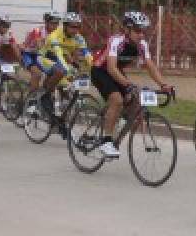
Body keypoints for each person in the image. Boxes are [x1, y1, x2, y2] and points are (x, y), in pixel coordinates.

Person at [90, 11, 173, 159]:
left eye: (143, 31)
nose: (141, 35)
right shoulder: (116, 40)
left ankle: (117, 131)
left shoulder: (142, 45)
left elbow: (150, 66)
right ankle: (106, 141)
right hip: (100, 71)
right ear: (127, 30)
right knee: (117, 100)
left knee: (135, 106)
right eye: (137, 31)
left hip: (117, 72)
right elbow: (111, 68)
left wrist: (164, 84)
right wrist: (128, 84)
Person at [37, 11, 92, 137]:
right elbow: (58, 55)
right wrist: (68, 68)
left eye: (78, 26)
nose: (75, 29)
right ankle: (45, 95)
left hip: (62, 60)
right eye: (72, 26)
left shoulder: (79, 38)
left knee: (67, 91)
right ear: (65, 26)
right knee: (61, 71)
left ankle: (61, 122)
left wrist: (90, 68)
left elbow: (86, 55)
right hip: (46, 58)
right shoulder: (55, 35)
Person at [23, 11, 61, 93]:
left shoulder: (57, 33)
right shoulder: (38, 31)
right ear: (46, 22)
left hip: (42, 55)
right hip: (30, 54)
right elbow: (40, 46)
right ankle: (31, 101)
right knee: (37, 74)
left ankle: (45, 93)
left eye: (57, 23)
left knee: (56, 72)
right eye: (53, 23)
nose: (55, 26)